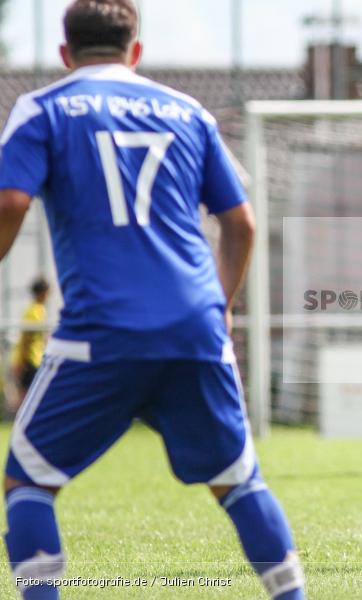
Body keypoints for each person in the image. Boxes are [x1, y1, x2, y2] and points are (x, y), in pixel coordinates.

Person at [0, 2, 304, 598]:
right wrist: (220, 305)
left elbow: (10, 203)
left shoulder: (44, 108)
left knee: (28, 482)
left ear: (65, 54)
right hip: (195, 326)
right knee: (240, 482)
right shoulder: (188, 112)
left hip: (102, 331)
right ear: (135, 50)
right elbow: (240, 223)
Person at [10, 278, 50, 412]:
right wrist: (21, 361)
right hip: (30, 360)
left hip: (36, 359)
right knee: (28, 395)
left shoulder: (38, 310)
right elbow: (26, 339)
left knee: (30, 394)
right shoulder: (34, 312)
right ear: (42, 292)